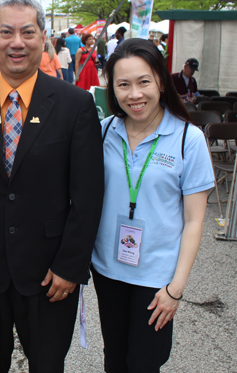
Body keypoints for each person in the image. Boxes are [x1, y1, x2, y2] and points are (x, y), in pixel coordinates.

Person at [0, 0, 104, 373]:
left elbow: (88, 194)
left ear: (43, 36)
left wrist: (71, 266)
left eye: (27, 32)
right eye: (6, 32)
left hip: (50, 270)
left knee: (47, 365)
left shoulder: (74, 104)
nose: (17, 42)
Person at [92, 38, 214, 373]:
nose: (135, 94)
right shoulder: (103, 133)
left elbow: (194, 221)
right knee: (115, 359)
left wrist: (176, 289)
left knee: (145, 363)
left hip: (157, 277)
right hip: (107, 269)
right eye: (123, 85)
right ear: (112, 89)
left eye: (144, 81)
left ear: (161, 80)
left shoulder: (189, 139)